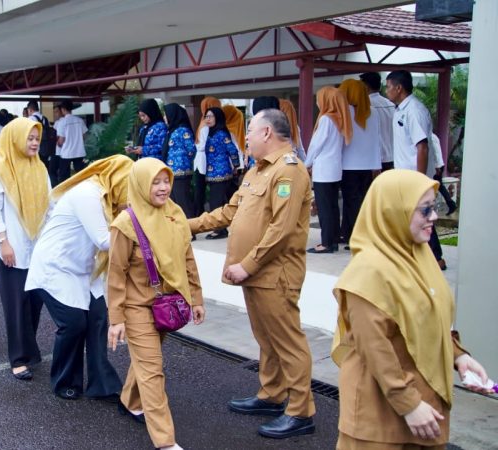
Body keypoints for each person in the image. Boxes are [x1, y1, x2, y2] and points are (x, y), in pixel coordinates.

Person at [331, 169, 493, 449]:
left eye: (434, 206)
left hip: (425, 407)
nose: (434, 216)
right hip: (380, 416)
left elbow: (430, 318)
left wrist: (459, 356)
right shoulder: (367, 271)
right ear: (393, 211)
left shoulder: (419, 254)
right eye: (425, 209)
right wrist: (408, 404)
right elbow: (375, 348)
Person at [189, 109, 316, 439]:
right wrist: (186, 226)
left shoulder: (289, 171)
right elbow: (229, 212)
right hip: (258, 274)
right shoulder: (257, 170)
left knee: (288, 341)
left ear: (267, 133)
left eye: (250, 130)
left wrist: (247, 265)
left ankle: (301, 411)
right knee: (267, 337)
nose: (245, 137)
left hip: (275, 273)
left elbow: (281, 229)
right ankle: (272, 394)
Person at [107, 157, 206, 450]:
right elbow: (116, 274)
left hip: (167, 304)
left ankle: (129, 400)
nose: (164, 188)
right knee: (152, 370)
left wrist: (196, 297)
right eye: (156, 182)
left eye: (166, 181)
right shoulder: (125, 224)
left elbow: (187, 258)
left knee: (145, 361)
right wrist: (116, 319)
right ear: (140, 184)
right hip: (136, 307)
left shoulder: (174, 214)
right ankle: (165, 442)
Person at [25, 155, 132, 401]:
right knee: (73, 324)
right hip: (56, 267)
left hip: (83, 269)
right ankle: (64, 381)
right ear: (120, 179)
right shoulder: (88, 194)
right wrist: (141, 229)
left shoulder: (107, 198)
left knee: (98, 319)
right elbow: (104, 240)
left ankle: (102, 385)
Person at [0, 117, 50, 379]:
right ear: (15, 139)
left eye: (37, 139)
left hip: (37, 247)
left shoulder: (39, 167)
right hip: (11, 247)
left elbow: (50, 204)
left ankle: (29, 350)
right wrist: (4, 242)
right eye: (29, 138)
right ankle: (18, 358)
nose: (34, 143)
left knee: (35, 302)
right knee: (16, 304)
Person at [385, 70, 447, 271]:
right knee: (410, 218)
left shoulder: (414, 110)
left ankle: (436, 258)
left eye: (388, 87)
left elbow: (422, 147)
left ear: (398, 88)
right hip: (403, 175)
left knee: (422, 217)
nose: (386, 91)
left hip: (415, 177)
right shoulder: (400, 110)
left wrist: (419, 180)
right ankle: (413, 255)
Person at [304, 86, 352, 254]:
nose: (318, 102)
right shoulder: (340, 119)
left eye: (319, 98)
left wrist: (306, 163)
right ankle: (333, 240)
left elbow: (316, 145)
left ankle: (326, 243)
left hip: (323, 170)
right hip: (335, 168)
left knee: (325, 208)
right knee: (332, 207)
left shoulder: (326, 119)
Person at [338, 79, 381, 247]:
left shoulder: (345, 111)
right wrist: (376, 165)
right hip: (368, 165)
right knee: (360, 201)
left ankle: (357, 237)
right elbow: (377, 139)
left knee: (351, 203)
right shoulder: (373, 112)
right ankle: (348, 234)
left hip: (349, 165)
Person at [203, 107, 240, 240]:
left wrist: (236, 165)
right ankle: (221, 227)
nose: (207, 119)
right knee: (219, 202)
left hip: (221, 173)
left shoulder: (221, 134)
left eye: (211, 116)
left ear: (217, 118)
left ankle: (220, 230)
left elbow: (233, 150)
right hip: (212, 173)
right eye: (206, 117)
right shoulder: (211, 133)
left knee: (216, 203)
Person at [162, 103, 195, 217]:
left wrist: (182, 160)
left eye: (166, 115)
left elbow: (191, 149)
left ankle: (190, 226)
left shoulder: (183, 130)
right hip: (171, 172)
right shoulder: (171, 130)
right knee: (173, 202)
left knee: (183, 202)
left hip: (182, 172)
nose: (164, 117)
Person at [360, 72, 395, 172]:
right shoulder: (391, 104)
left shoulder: (365, 105)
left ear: (365, 87)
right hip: (392, 157)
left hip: (374, 159)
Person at [193, 96, 221, 217]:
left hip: (203, 160)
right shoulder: (206, 124)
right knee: (201, 190)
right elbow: (202, 144)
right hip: (204, 160)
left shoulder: (204, 123)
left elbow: (201, 144)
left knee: (201, 190)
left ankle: (199, 214)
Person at [55, 99, 88, 182]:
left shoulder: (62, 122)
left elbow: (61, 141)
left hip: (66, 153)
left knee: (64, 178)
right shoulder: (80, 121)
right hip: (79, 152)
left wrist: (58, 143)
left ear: (63, 109)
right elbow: (85, 136)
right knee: (81, 177)